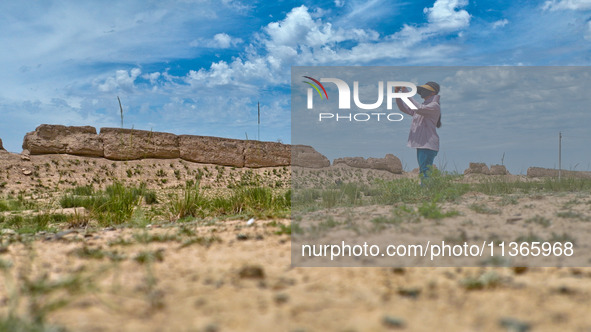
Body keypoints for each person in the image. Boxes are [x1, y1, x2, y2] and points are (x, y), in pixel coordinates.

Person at [395, 81, 441, 185]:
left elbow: (418, 108)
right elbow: (404, 108)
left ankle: (427, 192)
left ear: (433, 93)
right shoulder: (424, 106)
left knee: (425, 171)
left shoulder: (434, 106)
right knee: (424, 170)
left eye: (426, 90)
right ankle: (427, 191)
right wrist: (398, 95)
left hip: (428, 145)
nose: (423, 92)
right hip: (422, 144)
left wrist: (406, 92)